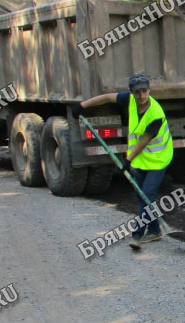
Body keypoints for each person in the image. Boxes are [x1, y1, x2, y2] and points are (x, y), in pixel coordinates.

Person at [72, 74, 173, 248]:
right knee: (142, 196)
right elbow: (106, 98)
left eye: (144, 91)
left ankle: (137, 235)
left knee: (146, 195)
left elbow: (144, 141)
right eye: (137, 92)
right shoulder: (130, 100)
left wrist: (127, 160)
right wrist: (82, 106)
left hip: (158, 158)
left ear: (149, 90)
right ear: (131, 92)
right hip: (140, 159)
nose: (141, 96)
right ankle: (155, 230)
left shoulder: (155, 113)